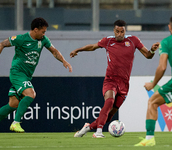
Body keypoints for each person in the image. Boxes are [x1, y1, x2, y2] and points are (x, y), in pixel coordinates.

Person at [0, 17, 72, 138]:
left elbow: (54, 51)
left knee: (13, 104)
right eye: (43, 31)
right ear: (35, 29)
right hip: (17, 73)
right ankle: (16, 123)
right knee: (31, 94)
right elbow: (1, 44)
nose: (44, 34)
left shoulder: (43, 40)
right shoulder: (21, 39)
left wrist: (64, 61)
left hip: (26, 76)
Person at [70, 20, 159, 138]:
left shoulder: (133, 40)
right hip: (111, 80)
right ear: (114, 30)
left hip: (124, 84)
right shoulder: (108, 41)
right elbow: (93, 47)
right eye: (117, 31)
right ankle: (98, 132)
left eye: (122, 32)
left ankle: (88, 127)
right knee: (109, 101)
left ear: (125, 31)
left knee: (110, 114)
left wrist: (152, 49)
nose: (120, 34)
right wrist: (78, 50)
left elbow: (148, 55)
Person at [134, 17, 172, 146]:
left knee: (152, 102)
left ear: (169, 27)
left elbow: (162, 67)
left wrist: (152, 84)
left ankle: (149, 138)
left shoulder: (167, 42)